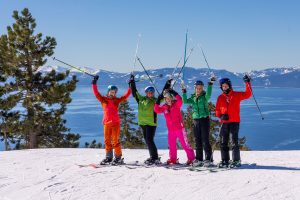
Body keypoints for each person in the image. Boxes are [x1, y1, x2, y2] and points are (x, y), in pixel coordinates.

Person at [92, 75, 131, 165]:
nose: (112, 93)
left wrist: (130, 86)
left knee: (115, 140)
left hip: (115, 123)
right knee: (107, 141)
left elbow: (126, 95)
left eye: (114, 92)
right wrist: (94, 83)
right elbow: (96, 93)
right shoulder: (103, 100)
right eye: (111, 91)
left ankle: (118, 157)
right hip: (106, 123)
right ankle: (108, 157)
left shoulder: (116, 100)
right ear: (108, 92)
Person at [154, 82, 195, 165]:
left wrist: (174, 92)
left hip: (179, 128)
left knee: (185, 144)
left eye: (169, 98)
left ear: (172, 98)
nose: (167, 100)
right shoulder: (164, 107)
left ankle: (192, 159)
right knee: (172, 145)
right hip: (170, 130)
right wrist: (158, 101)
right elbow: (156, 110)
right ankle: (173, 159)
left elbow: (180, 100)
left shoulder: (176, 104)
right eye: (166, 98)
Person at [215, 75, 252, 168]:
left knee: (234, 141)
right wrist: (221, 115)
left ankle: (236, 160)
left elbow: (248, 94)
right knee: (223, 142)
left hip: (234, 122)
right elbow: (217, 110)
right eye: (223, 86)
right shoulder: (220, 97)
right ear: (221, 87)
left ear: (230, 86)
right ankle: (225, 160)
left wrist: (247, 83)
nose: (225, 88)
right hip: (224, 122)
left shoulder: (236, 95)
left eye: (226, 86)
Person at [181, 77, 215, 167]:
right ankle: (199, 159)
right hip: (196, 120)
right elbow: (184, 101)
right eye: (197, 88)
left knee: (205, 140)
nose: (199, 89)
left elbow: (209, 94)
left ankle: (208, 159)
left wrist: (210, 84)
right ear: (195, 88)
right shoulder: (193, 98)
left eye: (200, 88)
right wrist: (184, 91)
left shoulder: (205, 97)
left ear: (202, 88)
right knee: (197, 140)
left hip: (204, 120)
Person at [128, 74, 160, 165]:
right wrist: (132, 82)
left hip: (151, 123)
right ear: (146, 93)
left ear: (153, 93)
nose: (150, 93)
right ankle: (153, 157)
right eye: (148, 92)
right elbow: (134, 92)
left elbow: (162, 97)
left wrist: (168, 85)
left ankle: (155, 157)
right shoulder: (141, 99)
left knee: (149, 140)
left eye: (152, 92)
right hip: (142, 123)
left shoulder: (155, 101)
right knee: (147, 140)